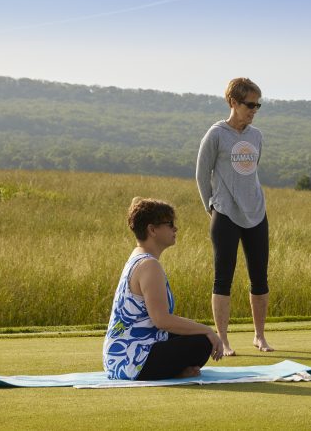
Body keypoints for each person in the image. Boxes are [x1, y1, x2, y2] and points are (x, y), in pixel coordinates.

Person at [103, 197, 224, 380]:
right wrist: (207, 330)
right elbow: (161, 320)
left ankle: (176, 371)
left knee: (191, 333)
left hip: (121, 357)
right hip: (132, 361)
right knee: (202, 341)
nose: (175, 228)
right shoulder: (149, 265)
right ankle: (175, 372)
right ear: (152, 230)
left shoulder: (139, 256)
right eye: (170, 224)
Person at [196, 77, 273, 356]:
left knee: (259, 277)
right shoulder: (216, 134)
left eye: (257, 105)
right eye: (249, 104)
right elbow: (202, 174)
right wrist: (211, 207)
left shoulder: (256, 136)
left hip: (256, 213)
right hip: (225, 213)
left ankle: (260, 337)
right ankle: (224, 341)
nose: (254, 110)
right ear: (233, 102)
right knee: (223, 278)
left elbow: (252, 173)